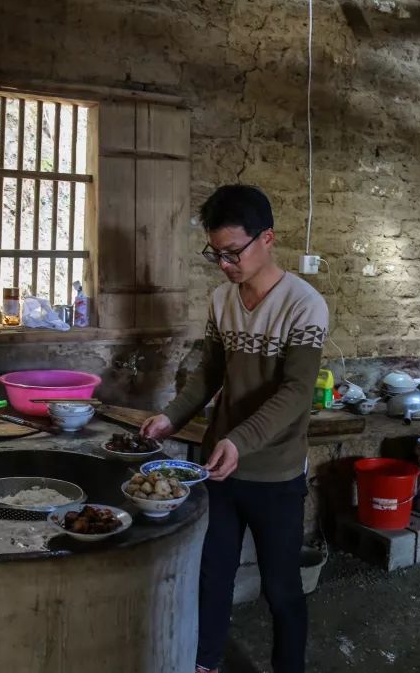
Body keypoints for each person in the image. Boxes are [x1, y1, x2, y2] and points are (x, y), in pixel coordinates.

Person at [140, 184, 328, 673]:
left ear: (267, 238)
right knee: (212, 574)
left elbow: (296, 392)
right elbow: (209, 372)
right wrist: (172, 416)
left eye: (232, 253)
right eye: (215, 254)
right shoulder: (222, 301)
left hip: (275, 471)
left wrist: (240, 439)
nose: (224, 264)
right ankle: (205, 664)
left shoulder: (304, 305)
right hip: (219, 469)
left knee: (281, 587)